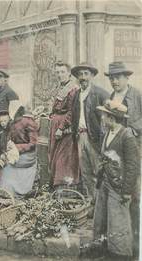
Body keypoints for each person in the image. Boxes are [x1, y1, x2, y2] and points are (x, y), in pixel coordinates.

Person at [93, 100, 140, 260]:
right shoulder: (107, 133)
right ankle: (105, 251)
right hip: (106, 182)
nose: (102, 119)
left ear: (112, 119)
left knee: (118, 222)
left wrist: (127, 191)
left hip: (119, 187)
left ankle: (121, 255)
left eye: (104, 116)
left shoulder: (127, 136)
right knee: (103, 219)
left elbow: (133, 166)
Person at [104, 61, 142, 255]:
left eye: (118, 77)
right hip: (116, 154)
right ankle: (121, 242)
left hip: (134, 150)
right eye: (111, 78)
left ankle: (136, 245)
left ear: (127, 78)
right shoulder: (111, 96)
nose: (114, 81)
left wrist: (133, 128)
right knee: (119, 196)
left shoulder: (136, 95)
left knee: (133, 194)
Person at [71, 62, 109, 202]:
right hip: (80, 137)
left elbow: (108, 119)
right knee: (86, 172)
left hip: (95, 138)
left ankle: (102, 205)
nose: (83, 77)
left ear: (92, 76)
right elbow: (74, 116)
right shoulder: (76, 95)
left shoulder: (100, 94)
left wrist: (104, 139)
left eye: (86, 74)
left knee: (99, 171)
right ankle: (93, 202)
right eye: (80, 74)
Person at [48, 62, 80, 189]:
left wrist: (61, 127)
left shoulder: (73, 89)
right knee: (54, 154)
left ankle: (64, 188)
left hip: (64, 126)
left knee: (63, 157)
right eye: (57, 72)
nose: (59, 75)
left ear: (68, 73)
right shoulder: (61, 87)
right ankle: (55, 186)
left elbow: (72, 111)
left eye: (62, 72)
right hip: (55, 123)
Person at [0, 102, 39, 197]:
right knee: (6, 163)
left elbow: (33, 143)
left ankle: (19, 192)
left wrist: (17, 147)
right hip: (14, 152)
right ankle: (8, 191)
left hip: (28, 154)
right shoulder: (13, 122)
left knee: (11, 163)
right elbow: (9, 138)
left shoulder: (29, 122)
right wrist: (8, 148)